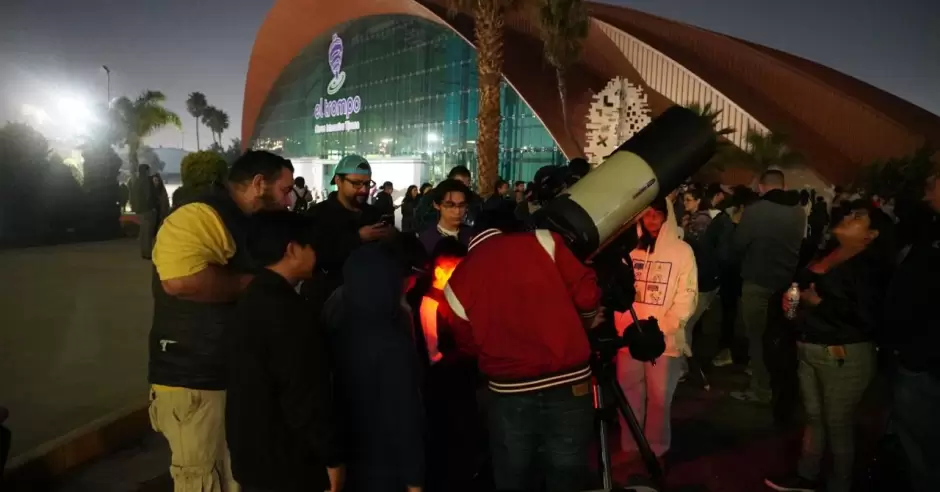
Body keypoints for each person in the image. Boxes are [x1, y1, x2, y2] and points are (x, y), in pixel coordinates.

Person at [148, 150, 295, 492]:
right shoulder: (199, 215)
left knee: (232, 476)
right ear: (258, 184)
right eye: (285, 190)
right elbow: (180, 281)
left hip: (220, 371)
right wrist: (262, 283)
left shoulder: (238, 219)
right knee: (202, 478)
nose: (289, 200)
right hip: (194, 377)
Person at [443, 204, 603, 492]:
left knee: (513, 474)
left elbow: (468, 343)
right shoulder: (545, 241)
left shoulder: (457, 280)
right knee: (567, 472)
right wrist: (584, 323)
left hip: (508, 392)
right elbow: (587, 294)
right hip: (569, 382)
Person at [764, 202, 893, 492]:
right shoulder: (827, 252)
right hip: (809, 345)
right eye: (850, 213)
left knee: (837, 422)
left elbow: (868, 317)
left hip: (842, 353)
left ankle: (839, 483)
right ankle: (807, 475)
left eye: (858, 217)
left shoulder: (869, 267)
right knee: (814, 417)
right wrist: (791, 302)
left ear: (871, 234)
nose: (848, 217)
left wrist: (819, 303)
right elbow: (802, 288)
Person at [226, 211, 343, 492]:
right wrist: (331, 458)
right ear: (292, 249)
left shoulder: (251, 298)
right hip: (289, 463)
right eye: (310, 246)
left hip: (253, 456)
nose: (316, 253)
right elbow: (304, 395)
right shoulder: (288, 311)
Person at [322, 239, 428, 492]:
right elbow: (404, 416)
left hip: (345, 451)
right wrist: (415, 481)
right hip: (384, 462)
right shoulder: (392, 342)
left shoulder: (335, 316)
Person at [615, 197, 698, 459]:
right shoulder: (630, 250)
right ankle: (631, 445)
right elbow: (618, 292)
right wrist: (624, 327)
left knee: (660, 399)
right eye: (647, 214)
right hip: (629, 338)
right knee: (629, 394)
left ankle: (656, 449)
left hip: (664, 341)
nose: (651, 220)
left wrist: (662, 327)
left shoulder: (682, 252)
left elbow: (687, 296)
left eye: (657, 214)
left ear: (667, 216)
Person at [884, 166, 940, 492]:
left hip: (924, 362)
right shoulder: (929, 230)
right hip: (916, 356)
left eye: (934, 183)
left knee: (924, 452)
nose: (927, 191)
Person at [730, 170, 805, 404]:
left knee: (757, 338)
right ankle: (780, 384)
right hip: (786, 284)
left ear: (762, 187)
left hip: (757, 281)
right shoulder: (798, 211)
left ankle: (761, 389)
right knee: (780, 338)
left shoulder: (755, 211)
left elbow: (737, 245)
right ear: (784, 185)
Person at [305, 155, 390, 310]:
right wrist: (358, 238)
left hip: (370, 299)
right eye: (356, 184)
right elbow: (315, 257)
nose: (363, 190)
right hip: (328, 300)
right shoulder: (317, 215)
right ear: (338, 181)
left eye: (367, 184)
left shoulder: (373, 214)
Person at [414, 166, 481, 230]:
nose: (457, 211)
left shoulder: (475, 199)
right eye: (458, 185)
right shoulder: (432, 196)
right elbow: (420, 217)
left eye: (466, 186)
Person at [418, 179, 473, 254]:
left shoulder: (473, 236)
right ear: (436, 205)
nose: (457, 211)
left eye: (462, 205)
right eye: (450, 205)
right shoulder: (425, 240)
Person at [136, 164, 159, 259]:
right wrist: (152, 207)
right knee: (148, 233)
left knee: (143, 232)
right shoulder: (147, 181)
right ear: (146, 171)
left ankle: (144, 252)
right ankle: (148, 253)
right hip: (148, 210)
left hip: (140, 210)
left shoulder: (137, 181)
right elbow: (149, 195)